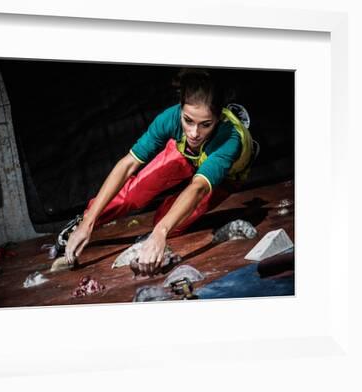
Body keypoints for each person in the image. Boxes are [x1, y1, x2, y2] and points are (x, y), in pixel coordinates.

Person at [58, 68, 256, 276]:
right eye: (188, 120)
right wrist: (88, 222)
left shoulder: (229, 139)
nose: (194, 133)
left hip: (223, 174)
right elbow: (128, 164)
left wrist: (160, 231)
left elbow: (198, 188)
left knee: (168, 223)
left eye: (205, 124)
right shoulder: (169, 119)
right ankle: (84, 221)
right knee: (134, 192)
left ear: (218, 118)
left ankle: (243, 128)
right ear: (180, 109)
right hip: (186, 153)